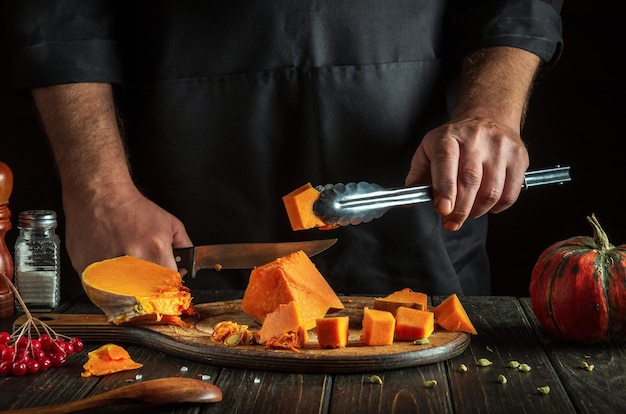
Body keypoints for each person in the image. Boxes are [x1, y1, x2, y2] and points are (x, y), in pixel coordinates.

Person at [4, 1, 563, 295]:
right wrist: (99, 188)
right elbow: (59, 12)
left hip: (418, 210)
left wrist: (490, 111)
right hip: (170, 213)